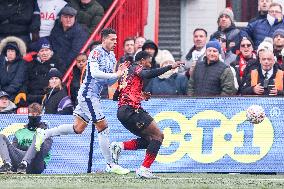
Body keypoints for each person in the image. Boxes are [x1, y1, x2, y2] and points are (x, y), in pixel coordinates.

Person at [34, 28, 129, 175]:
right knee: (103, 127)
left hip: (93, 96)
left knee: (78, 128)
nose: (115, 42)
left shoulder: (111, 56)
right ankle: (110, 164)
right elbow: (96, 73)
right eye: (112, 39)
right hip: (88, 95)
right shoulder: (96, 53)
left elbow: (110, 81)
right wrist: (116, 73)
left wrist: (120, 74)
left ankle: (44, 133)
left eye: (116, 40)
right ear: (104, 40)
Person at [110, 51, 183, 179]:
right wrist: (170, 66)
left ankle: (120, 146)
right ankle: (144, 169)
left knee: (149, 140)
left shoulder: (126, 73)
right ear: (142, 60)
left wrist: (139, 95)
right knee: (158, 136)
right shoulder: (136, 67)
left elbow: (117, 96)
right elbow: (147, 74)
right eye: (149, 60)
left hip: (122, 112)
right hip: (132, 110)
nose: (150, 64)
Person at [0, 103, 52, 174]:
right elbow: (14, 150)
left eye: (37, 115)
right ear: (28, 115)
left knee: (38, 135)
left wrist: (28, 149)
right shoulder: (20, 132)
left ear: (41, 115)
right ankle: (7, 165)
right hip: (19, 162)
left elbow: (44, 151)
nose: (34, 117)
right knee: (1, 137)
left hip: (36, 163)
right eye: (32, 115)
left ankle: (25, 163)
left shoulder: (46, 132)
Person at [21, 37, 64, 106]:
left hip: (50, 96)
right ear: (38, 53)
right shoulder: (31, 64)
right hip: (33, 96)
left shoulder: (58, 63)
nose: (44, 53)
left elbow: (61, 82)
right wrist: (22, 91)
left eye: (47, 50)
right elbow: (25, 81)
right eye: (42, 50)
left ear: (51, 52)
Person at [49, 5, 88, 72]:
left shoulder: (79, 31)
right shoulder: (56, 29)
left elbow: (75, 52)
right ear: (61, 18)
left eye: (71, 17)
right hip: (55, 61)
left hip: (67, 65)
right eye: (65, 17)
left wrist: (61, 65)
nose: (68, 20)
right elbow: (52, 45)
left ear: (75, 19)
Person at [0, 36, 27, 102]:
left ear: (16, 53)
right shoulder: (2, 63)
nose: (10, 53)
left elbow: (17, 82)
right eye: (8, 51)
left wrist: (3, 93)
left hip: (14, 94)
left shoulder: (22, 63)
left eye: (12, 51)